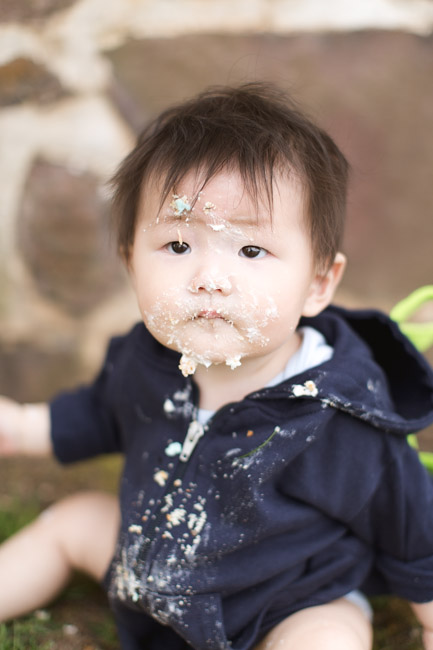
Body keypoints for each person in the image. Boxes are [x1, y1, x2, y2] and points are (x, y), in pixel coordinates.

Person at [0, 82, 433, 650]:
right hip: (155, 556)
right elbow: (101, 412)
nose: (209, 277)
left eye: (251, 251)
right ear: (131, 260)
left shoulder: (340, 416)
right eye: (178, 246)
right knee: (74, 520)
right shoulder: (145, 361)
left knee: (327, 636)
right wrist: (24, 428)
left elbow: (411, 526)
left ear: (318, 283)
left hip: (288, 597)